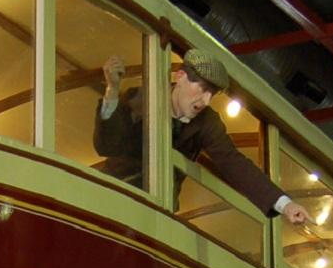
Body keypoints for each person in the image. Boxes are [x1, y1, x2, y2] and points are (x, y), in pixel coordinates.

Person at [95, 48, 312, 227]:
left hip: (156, 214)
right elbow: (107, 146)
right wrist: (112, 90)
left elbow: (233, 163)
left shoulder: (208, 122)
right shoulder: (142, 97)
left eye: (212, 94)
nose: (206, 100)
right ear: (180, 77)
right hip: (113, 195)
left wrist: (286, 205)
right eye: (202, 89)